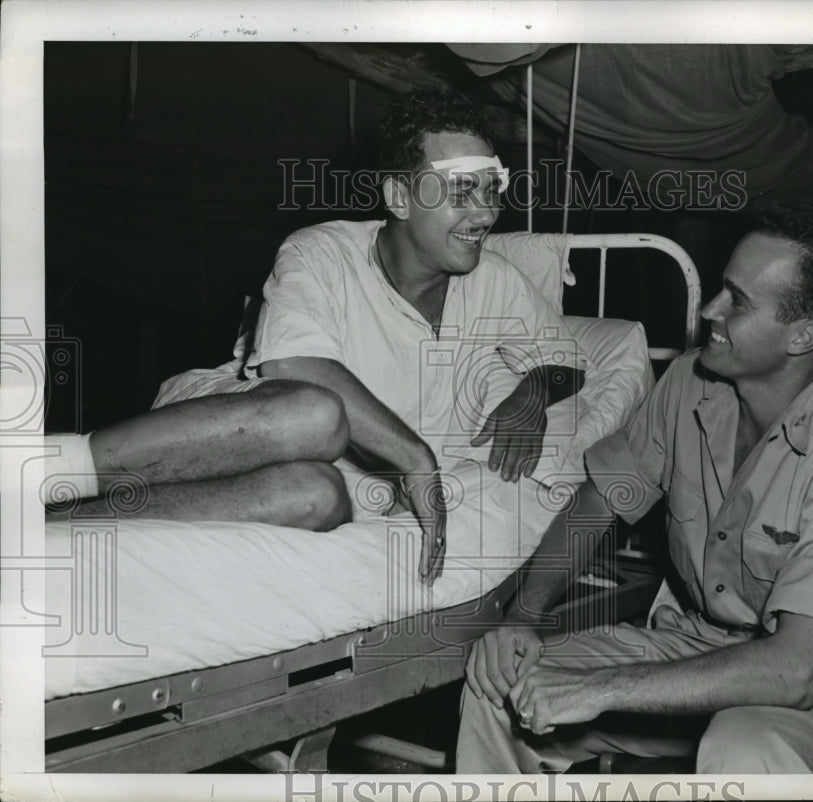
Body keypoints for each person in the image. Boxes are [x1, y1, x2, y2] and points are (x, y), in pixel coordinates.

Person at [44, 91, 586, 586]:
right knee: (317, 414)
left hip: (319, 474)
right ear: (399, 196)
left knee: (317, 497)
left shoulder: (496, 282)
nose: (486, 213)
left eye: (492, 189)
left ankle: (57, 524)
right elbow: (293, 368)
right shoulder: (320, 252)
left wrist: (533, 392)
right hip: (225, 424)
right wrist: (417, 459)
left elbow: (566, 359)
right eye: (462, 191)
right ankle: (49, 467)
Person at [456, 203, 813, 773]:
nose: (710, 308)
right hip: (691, 642)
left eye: (737, 301)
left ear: (803, 336)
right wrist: (524, 617)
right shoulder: (690, 382)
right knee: (499, 687)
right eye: (720, 287)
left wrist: (600, 689)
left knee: (743, 745)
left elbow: (797, 670)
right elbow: (601, 498)